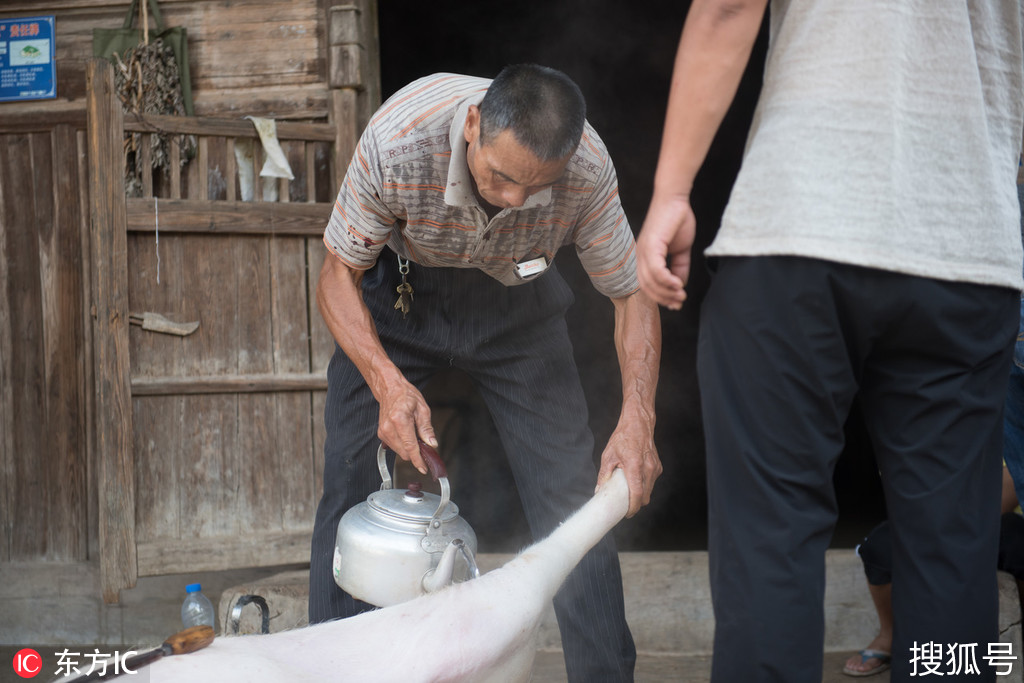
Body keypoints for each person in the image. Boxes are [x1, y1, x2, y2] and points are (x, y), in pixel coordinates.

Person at [635, 1, 1024, 681]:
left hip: (802, 220)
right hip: (969, 243)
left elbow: (729, 7)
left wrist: (672, 189)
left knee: (770, 540)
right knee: (954, 550)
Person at [309, 64, 663, 682]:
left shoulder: (586, 168)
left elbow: (632, 295)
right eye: (501, 176)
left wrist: (639, 419)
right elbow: (338, 272)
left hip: (519, 306)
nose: (513, 200)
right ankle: (335, 671)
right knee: (349, 485)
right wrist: (388, 386)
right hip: (401, 299)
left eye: (536, 187)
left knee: (573, 497)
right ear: (472, 125)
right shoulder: (400, 138)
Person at [843, 469, 1024, 677]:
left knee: (1016, 542)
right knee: (880, 545)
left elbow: (1006, 489)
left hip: (994, 517)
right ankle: (888, 636)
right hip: (937, 516)